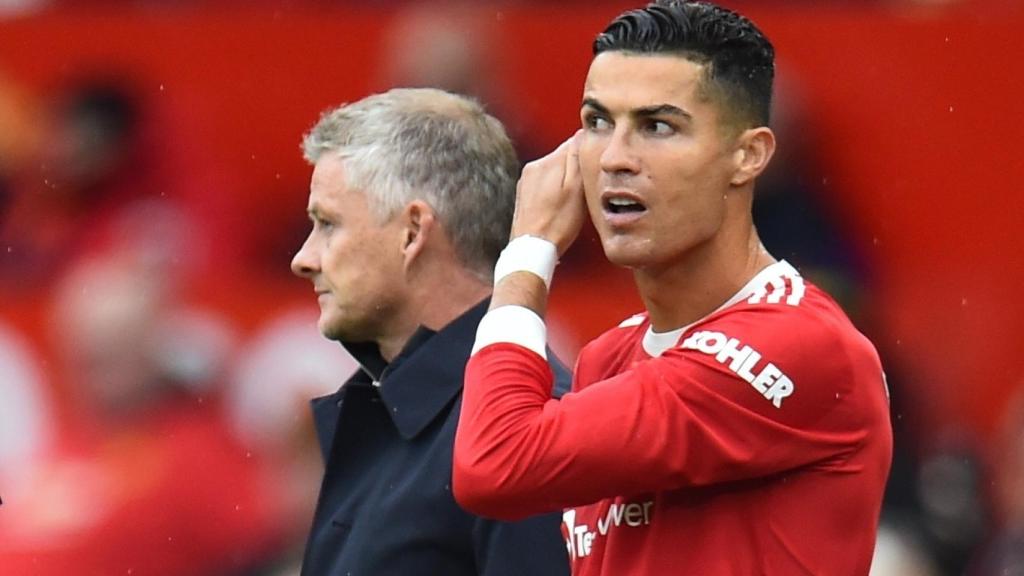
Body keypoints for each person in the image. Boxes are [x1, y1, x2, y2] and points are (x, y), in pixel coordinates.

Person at [452, 2, 892, 575]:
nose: (614, 159)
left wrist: (527, 255)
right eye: (597, 122)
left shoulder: (801, 345)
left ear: (748, 155)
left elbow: (495, 464)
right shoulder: (608, 358)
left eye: (657, 126)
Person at [290, 87, 571, 576]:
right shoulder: (393, 414)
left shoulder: (530, 428)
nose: (304, 259)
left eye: (327, 224)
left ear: (413, 231)